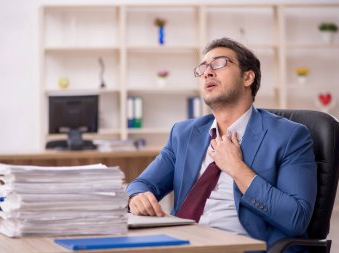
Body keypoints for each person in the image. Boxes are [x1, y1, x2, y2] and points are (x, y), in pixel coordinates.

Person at [126, 37, 317, 253]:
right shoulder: (184, 133)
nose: (207, 72)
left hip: (244, 246)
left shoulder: (289, 136)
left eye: (219, 64)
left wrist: (237, 169)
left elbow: (296, 218)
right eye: (203, 67)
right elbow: (142, 184)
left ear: (247, 77)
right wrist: (136, 197)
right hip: (182, 243)